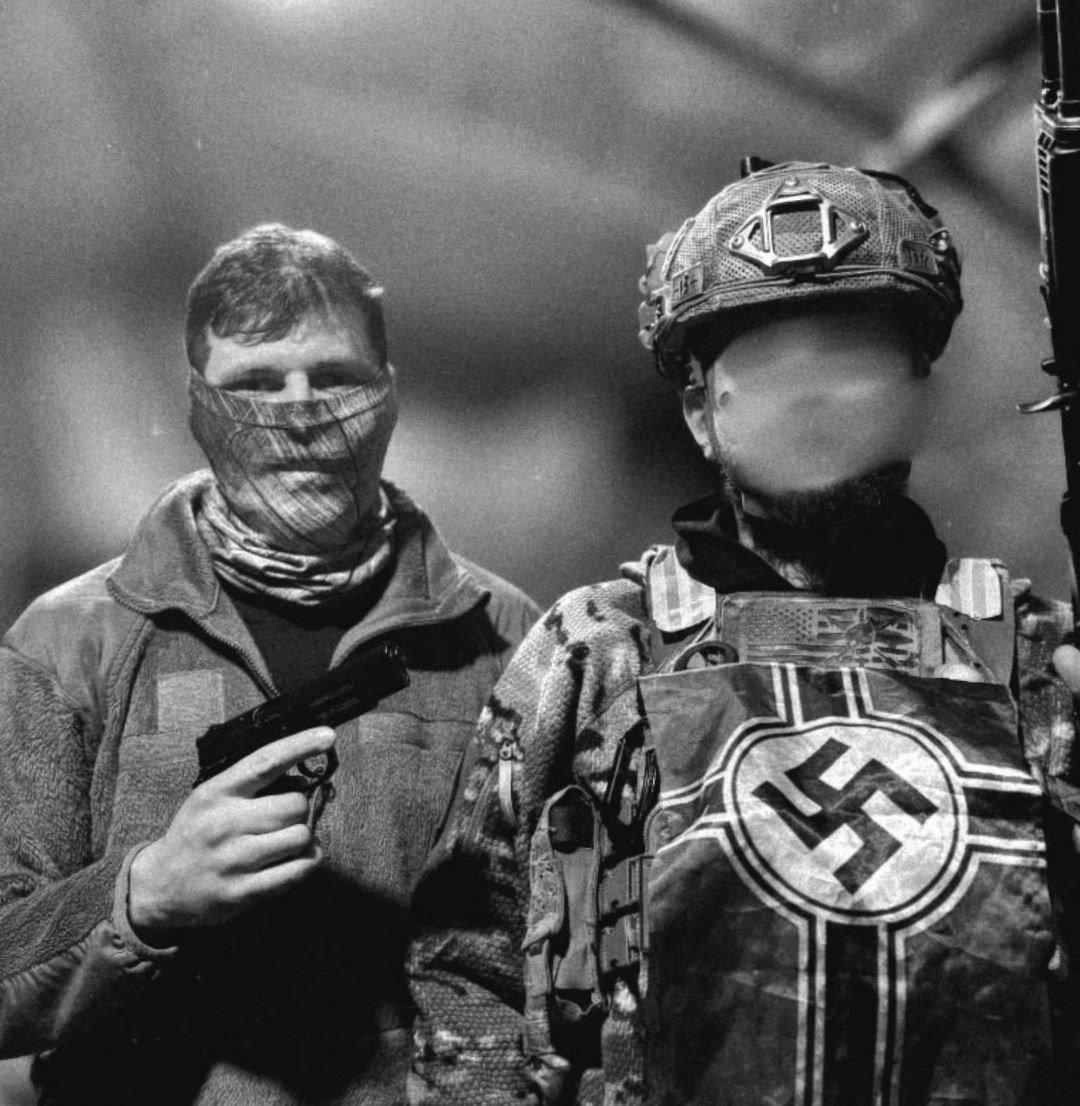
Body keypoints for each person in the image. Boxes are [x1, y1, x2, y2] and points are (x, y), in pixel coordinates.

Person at [407, 161, 1080, 1104]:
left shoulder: (1039, 661)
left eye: (853, 361)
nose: (812, 399)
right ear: (700, 414)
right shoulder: (598, 653)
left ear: (914, 396)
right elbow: (466, 962)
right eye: (766, 369)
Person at [0, 223, 539, 1104]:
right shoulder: (70, 642)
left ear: (389, 393)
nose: (300, 412)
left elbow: (544, 951)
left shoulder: (505, 637)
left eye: (334, 377)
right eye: (256, 382)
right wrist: (143, 895)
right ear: (196, 403)